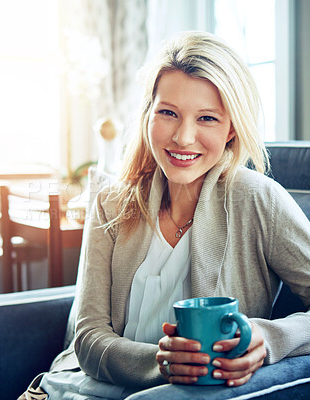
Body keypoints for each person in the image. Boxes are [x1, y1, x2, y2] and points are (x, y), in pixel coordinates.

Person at [19, 31, 310, 400]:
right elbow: (88, 336)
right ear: (148, 116)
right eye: (168, 113)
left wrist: (269, 339)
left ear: (231, 128)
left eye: (206, 118)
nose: (183, 138)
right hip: (72, 389)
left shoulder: (257, 199)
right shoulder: (111, 202)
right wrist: (160, 362)